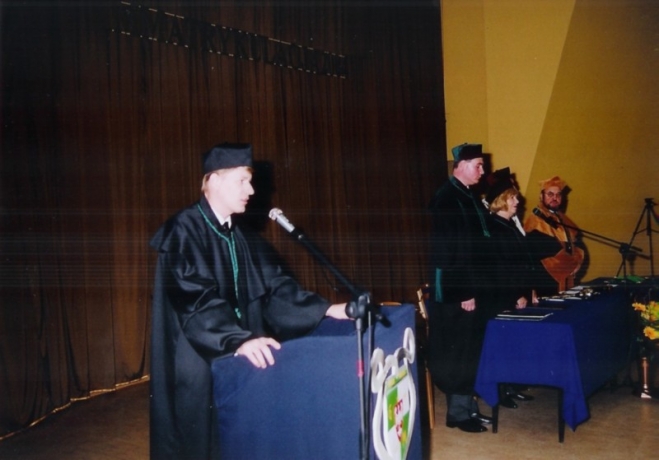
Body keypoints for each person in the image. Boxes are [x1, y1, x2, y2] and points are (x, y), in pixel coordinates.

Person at [149, 143, 349, 460]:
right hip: (197, 358)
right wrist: (236, 339)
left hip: (235, 351)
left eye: (251, 181)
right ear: (214, 180)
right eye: (242, 180)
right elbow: (196, 300)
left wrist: (327, 309)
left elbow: (274, 288)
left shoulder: (239, 235)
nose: (251, 190)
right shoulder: (182, 231)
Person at [426, 143, 493, 433]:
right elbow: (446, 252)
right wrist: (464, 292)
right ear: (461, 165)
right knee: (459, 351)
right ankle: (458, 414)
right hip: (457, 292)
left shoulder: (466, 195)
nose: (482, 170)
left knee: (470, 349)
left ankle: (468, 407)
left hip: (471, 287)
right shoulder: (447, 198)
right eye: (478, 165)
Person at [483, 168, 536, 409]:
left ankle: (512, 386)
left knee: (515, 343)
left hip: (516, 293)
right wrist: (517, 295)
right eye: (513, 197)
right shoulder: (494, 228)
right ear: (501, 200)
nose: (518, 201)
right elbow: (502, 269)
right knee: (503, 345)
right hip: (503, 296)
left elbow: (522, 264)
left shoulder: (510, 225)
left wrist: (529, 291)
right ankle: (501, 391)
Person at [523, 176, 585, 297]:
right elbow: (548, 249)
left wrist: (578, 262)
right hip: (546, 279)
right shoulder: (535, 220)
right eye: (550, 194)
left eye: (558, 195)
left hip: (566, 276)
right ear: (541, 196)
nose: (555, 198)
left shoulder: (562, 218)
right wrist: (573, 264)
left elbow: (577, 243)